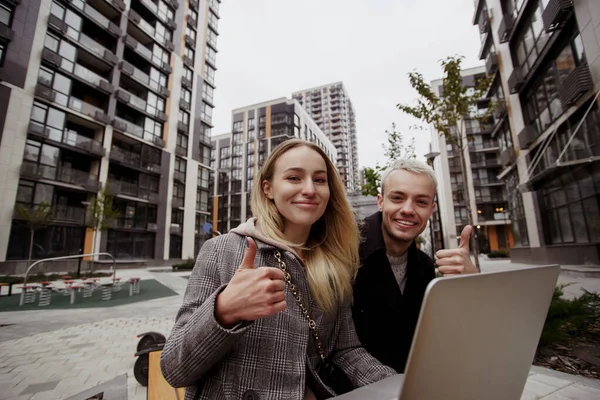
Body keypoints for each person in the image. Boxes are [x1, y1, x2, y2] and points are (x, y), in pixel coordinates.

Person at [160, 139, 396, 400]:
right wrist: (223, 310)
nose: (309, 189)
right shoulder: (221, 250)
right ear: (268, 188)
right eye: (294, 177)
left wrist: (397, 384)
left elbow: (346, 350)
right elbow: (174, 370)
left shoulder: (333, 263)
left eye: (319, 180)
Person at [352, 158, 479, 374]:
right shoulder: (344, 249)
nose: (408, 210)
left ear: (432, 209)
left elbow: (436, 337)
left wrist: (471, 285)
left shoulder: (425, 265)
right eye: (398, 198)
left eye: (421, 202)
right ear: (381, 202)